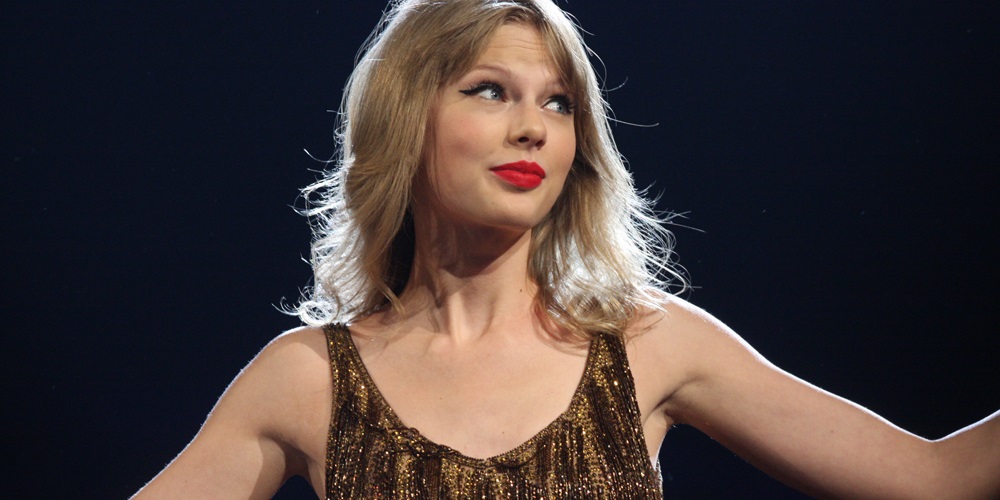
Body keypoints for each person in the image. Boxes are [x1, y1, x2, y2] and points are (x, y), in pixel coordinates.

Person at [134, 0, 999, 497]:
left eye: (558, 103)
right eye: (490, 90)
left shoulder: (650, 344)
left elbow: (938, 481)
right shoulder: (308, 379)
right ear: (406, 120)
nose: (533, 129)